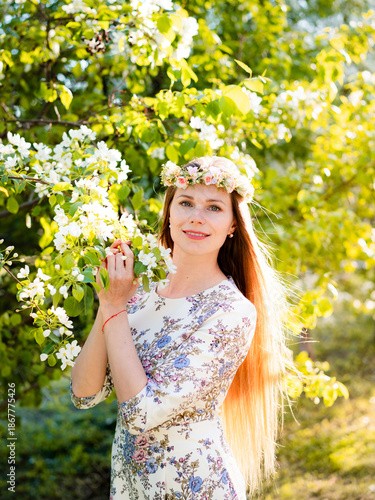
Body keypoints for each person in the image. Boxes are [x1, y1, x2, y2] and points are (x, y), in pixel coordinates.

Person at [70, 156, 289, 499]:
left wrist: (114, 308)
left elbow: (142, 413)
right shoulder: (137, 288)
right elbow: (84, 395)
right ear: (169, 212)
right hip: (131, 486)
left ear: (233, 225)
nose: (196, 217)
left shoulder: (231, 312)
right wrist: (108, 301)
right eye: (186, 202)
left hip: (195, 485)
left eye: (214, 207)